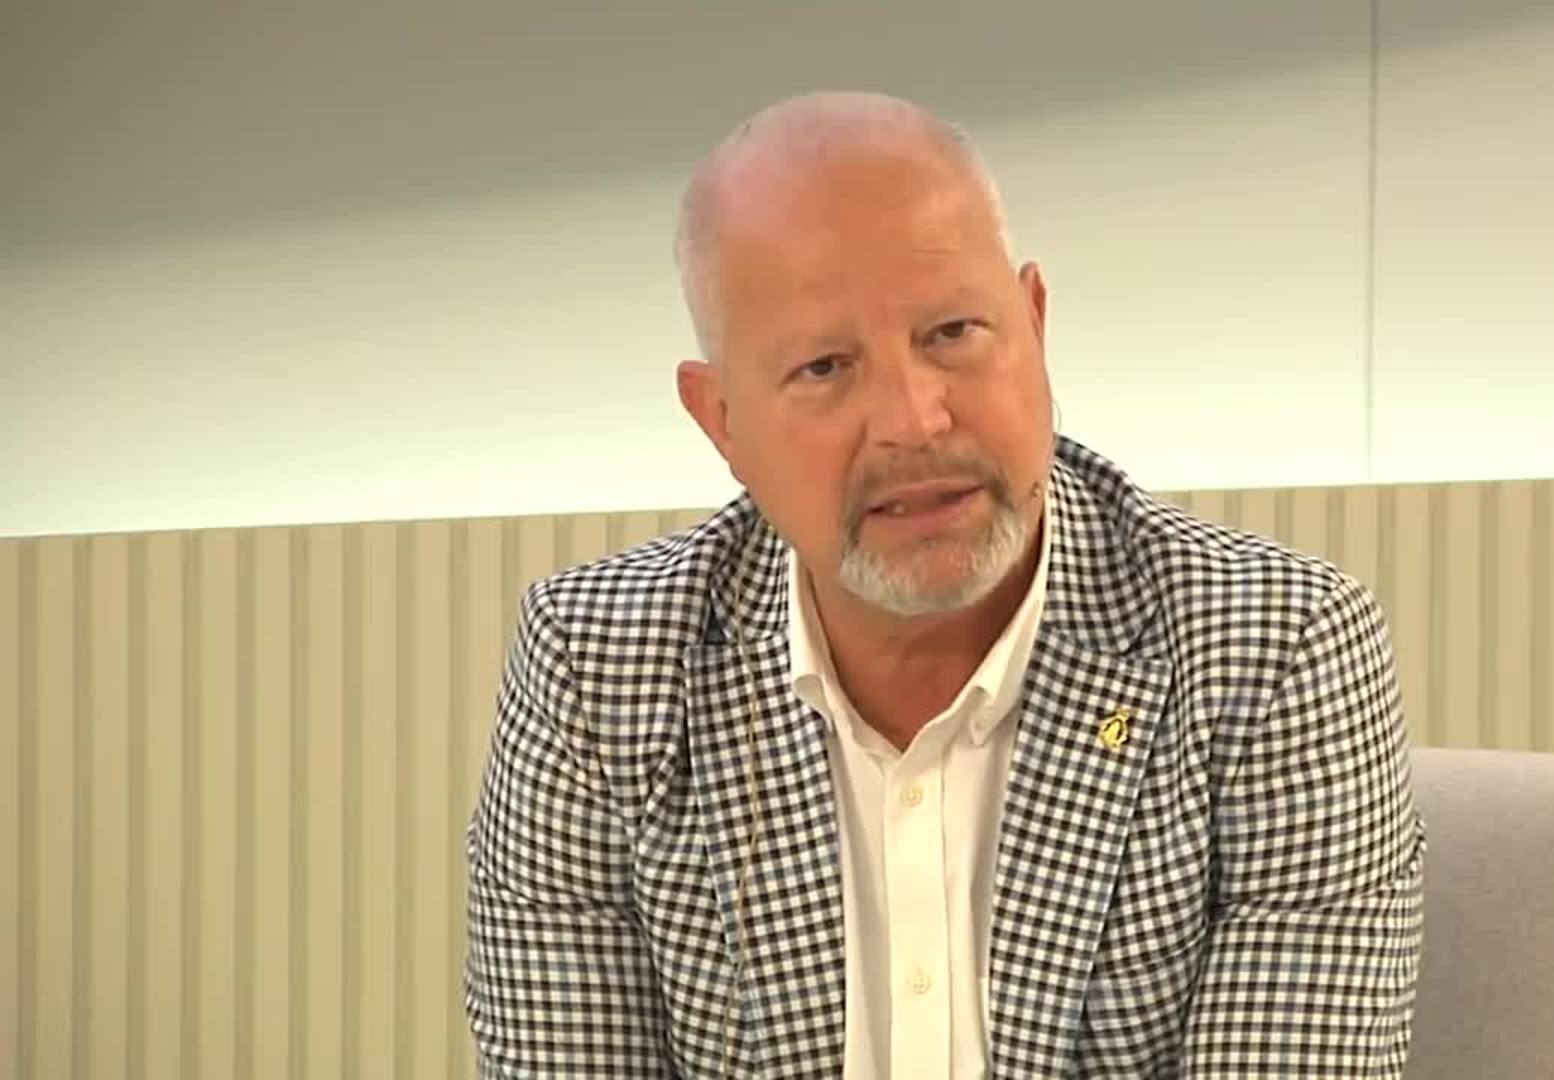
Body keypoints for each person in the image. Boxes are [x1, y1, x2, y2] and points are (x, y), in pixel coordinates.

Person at [465, 91, 1423, 1078]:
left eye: (954, 332)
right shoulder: (599, 666)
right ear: (722, 421)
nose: (914, 421)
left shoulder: (1273, 649)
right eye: (825, 367)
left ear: (1035, 325)